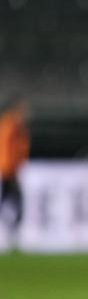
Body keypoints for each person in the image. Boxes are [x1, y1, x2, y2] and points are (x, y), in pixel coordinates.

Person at [0, 96, 29, 252]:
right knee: (17, 202)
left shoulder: (15, 127)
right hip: (7, 171)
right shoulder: (9, 126)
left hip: (10, 170)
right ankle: (13, 235)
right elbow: (7, 150)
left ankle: (13, 235)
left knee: (10, 201)